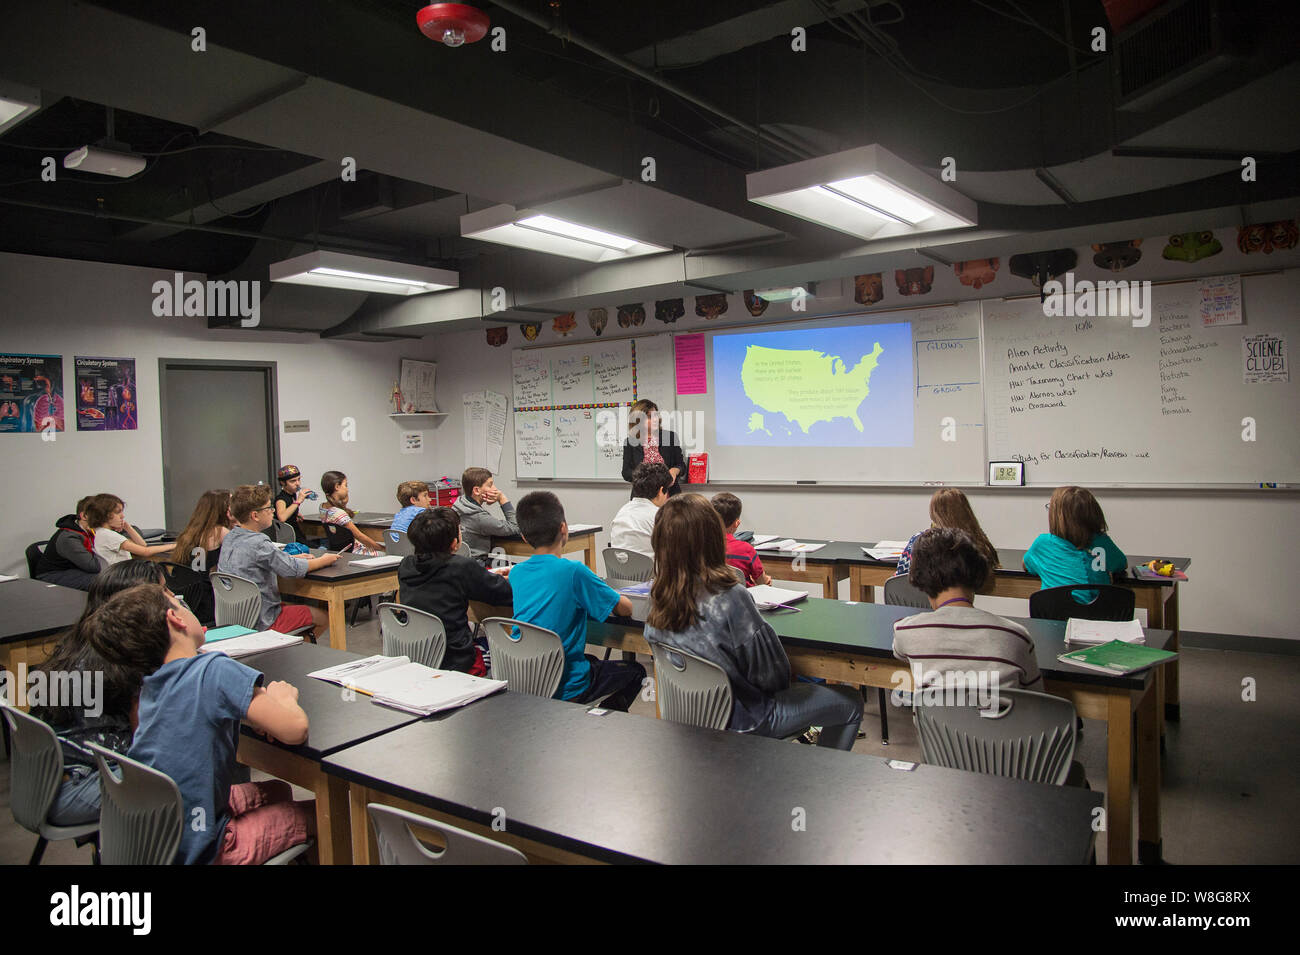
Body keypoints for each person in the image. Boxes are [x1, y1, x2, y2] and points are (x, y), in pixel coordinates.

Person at [643, 494, 862, 749]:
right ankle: (823, 781)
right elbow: (771, 675)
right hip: (745, 720)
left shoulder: (658, 596)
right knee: (850, 702)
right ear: (713, 538)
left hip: (686, 717)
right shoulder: (730, 596)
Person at [120, 583, 317, 864]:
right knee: (322, 814)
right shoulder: (214, 668)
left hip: (162, 834)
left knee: (277, 790)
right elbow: (295, 729)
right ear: (175, 619)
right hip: (208, 847)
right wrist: (284, 697)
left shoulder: (151, 684)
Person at [32, 561, 171, 826]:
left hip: (47, 782)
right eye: (163, 595)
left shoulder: (78, 645)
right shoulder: (120, 667)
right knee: (190, 770)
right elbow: (145, 742)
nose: (172, 602)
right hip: (77, 787)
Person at [507, 491, 645, 711]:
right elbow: (625, 608)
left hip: (525, 681)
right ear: (564, 528)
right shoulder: (574, 572)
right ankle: (599, 723)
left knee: (590, 660)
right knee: (636, 672)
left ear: (524, 537)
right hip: (567, 686)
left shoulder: (516, 573)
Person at [892, 528, 1042, 692]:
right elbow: (1036, 698)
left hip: (937, 718)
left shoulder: (906, 631)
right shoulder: (1017, 637)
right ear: (978, 571)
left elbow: (900, 652)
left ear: (920, 578)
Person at [398, 507, 513, 675]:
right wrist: (509, 578)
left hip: (417, 654)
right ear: (454, 542)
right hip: (456, 660)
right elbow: (503, 593)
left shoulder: (406, 565)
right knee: (495, 646)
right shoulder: (460, 566)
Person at [217, 484, 337, 639]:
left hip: (238, 618)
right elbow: (292, 570)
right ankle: (290, 651)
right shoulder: (259, 542)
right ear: (255, 515)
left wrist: (290, 558)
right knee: (324, 618)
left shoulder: (230, 538)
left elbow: (260, 560)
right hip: (264, 620)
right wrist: (324, 560)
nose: (272, 511)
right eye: (268, 508)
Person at [1023, 486, 1127, 601]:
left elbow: (1027, 564)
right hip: (1099, 615)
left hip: (1055, 616)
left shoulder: (1043, 544)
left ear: (1056, 517)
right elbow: (1121, 564)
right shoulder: (1102, 542)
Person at [897, 488, 999, 581]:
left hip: (924, 599)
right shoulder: (979, 541)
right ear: (966, 510)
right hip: (965, 600)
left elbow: (900, 578)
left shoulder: (920, 541)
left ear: (934, 513)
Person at [621, 398, 686, 497]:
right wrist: (647, 479)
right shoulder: (630, 442)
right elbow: (626, 472)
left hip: (669, 496)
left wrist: (674, 471)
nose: (655, 419)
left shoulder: (670, 437)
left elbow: (681, 465)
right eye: (649, 417)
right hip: (642, 497)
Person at [34, 495, 100, 590]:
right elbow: (93, 566)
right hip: (54, 575)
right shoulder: (69, 537)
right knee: (107, 582)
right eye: (100, 515)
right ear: (84, 516)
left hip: (76, 570)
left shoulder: (92, 531)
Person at [453, 467, 518, 562]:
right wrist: (502, 498)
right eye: (490, 485)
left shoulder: (459, 505)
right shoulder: (479, 518)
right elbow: (514, 526)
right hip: (477, 565)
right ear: (476, 490)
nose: (495, 489)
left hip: (463, 562)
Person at [86, 493, 172, 565]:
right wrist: (174, 545)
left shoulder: (102, 533)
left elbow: (142, 545)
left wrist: (127, 527)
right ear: (104, 515)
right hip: (122, 577)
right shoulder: (108, 535)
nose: (122, 516)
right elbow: (145, 551)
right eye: (118, 512)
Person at [609, 462, 670, 558]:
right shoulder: (659, 517)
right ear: (661, 491)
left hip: (621, 572)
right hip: (652, 572)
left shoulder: (622, 512)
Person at [710, 491, 771, 586]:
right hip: (741, 599)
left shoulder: (699, 545)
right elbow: (762, 583)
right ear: (736, 523)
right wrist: (765, 580)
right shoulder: (746, 549)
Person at [318, 470, 385, 555]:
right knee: (385, 552)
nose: (347, 489)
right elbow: (360, 536)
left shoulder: (322, 507)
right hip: (355, 552)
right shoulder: (339, 513)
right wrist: (383, 548)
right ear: (337, 486)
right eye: (345, 485)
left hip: (342, 550)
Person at [170, 489, 232, 572]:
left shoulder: (190, 532)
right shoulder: (221, 532)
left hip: (182, 583)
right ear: (224, 509)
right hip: (206, 584)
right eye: (233, 503)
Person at [274, 465, 316, 544]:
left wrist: (295, 514)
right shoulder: (281, 499)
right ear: (282, 482)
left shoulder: (292, 494)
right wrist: (298, 501)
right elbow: (282, 518)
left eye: (299, 479)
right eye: (293, 481)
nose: (297, 483)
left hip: (297, 533)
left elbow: (289, 508)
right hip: (291, 538)